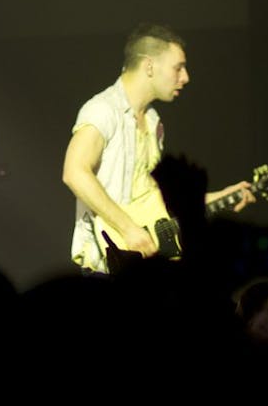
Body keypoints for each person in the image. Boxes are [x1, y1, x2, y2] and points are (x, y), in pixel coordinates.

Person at [62, 22, 256, 274]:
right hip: (107, 265)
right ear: (150, 66)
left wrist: (221, 198)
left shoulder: (153, 120)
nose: (185, 77)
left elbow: (152, 202)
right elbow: (75, 172)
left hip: (141, 265)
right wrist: (129, 229)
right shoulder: (103, 109)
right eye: (178, 68)